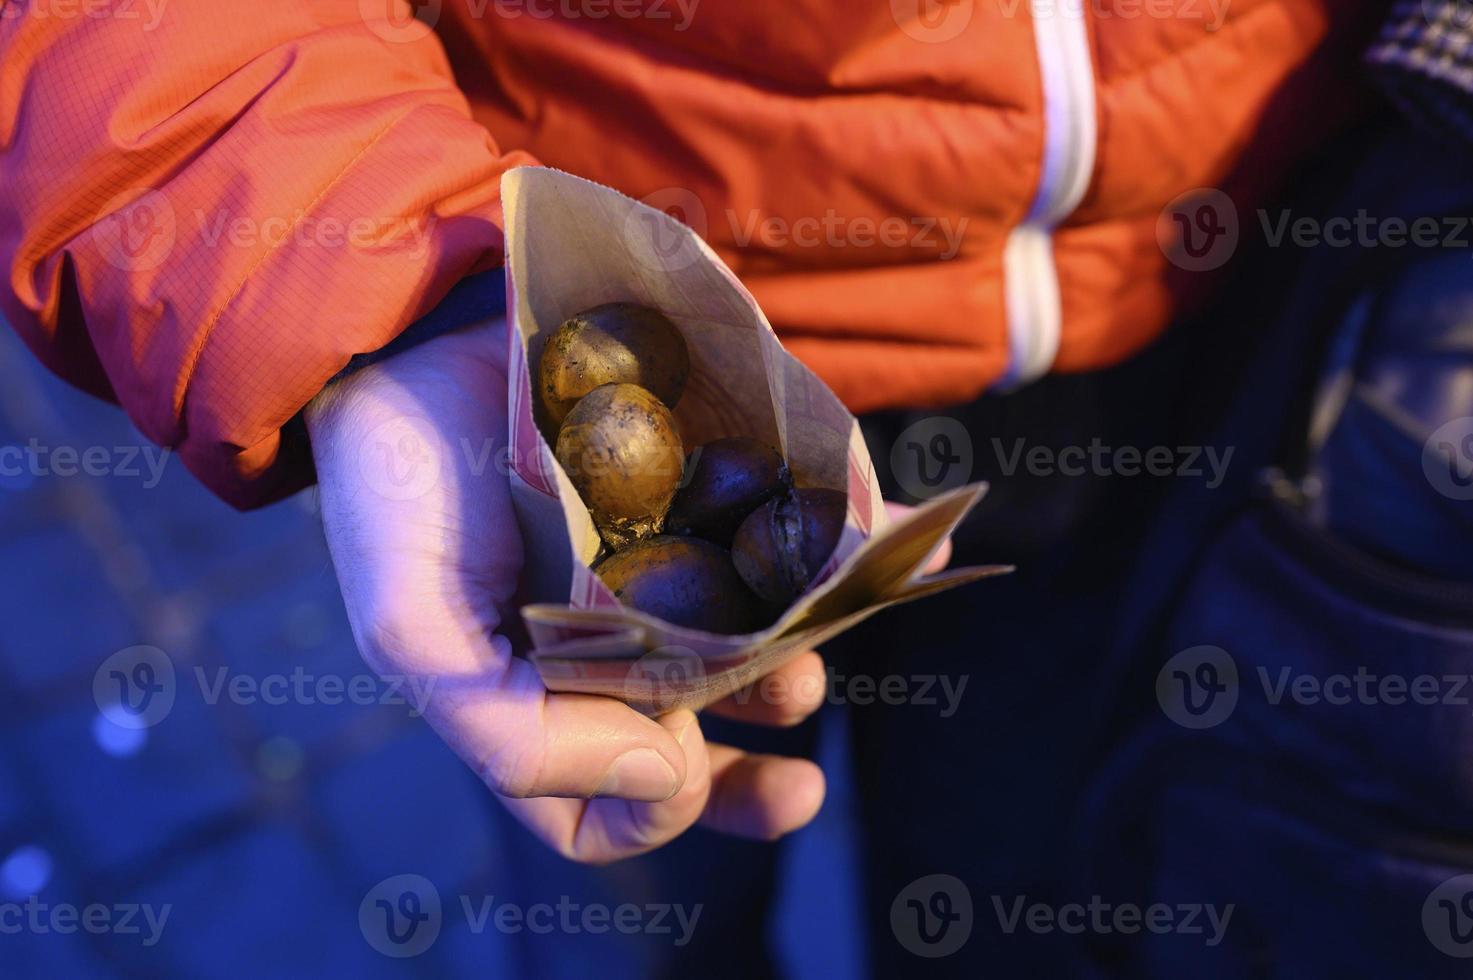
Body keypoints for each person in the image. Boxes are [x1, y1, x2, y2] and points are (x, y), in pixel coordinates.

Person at [11, 1, 1459, 974]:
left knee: (1012, 892)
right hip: (580, 309)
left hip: (1201, 313)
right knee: (627, 900)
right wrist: (383, 279)